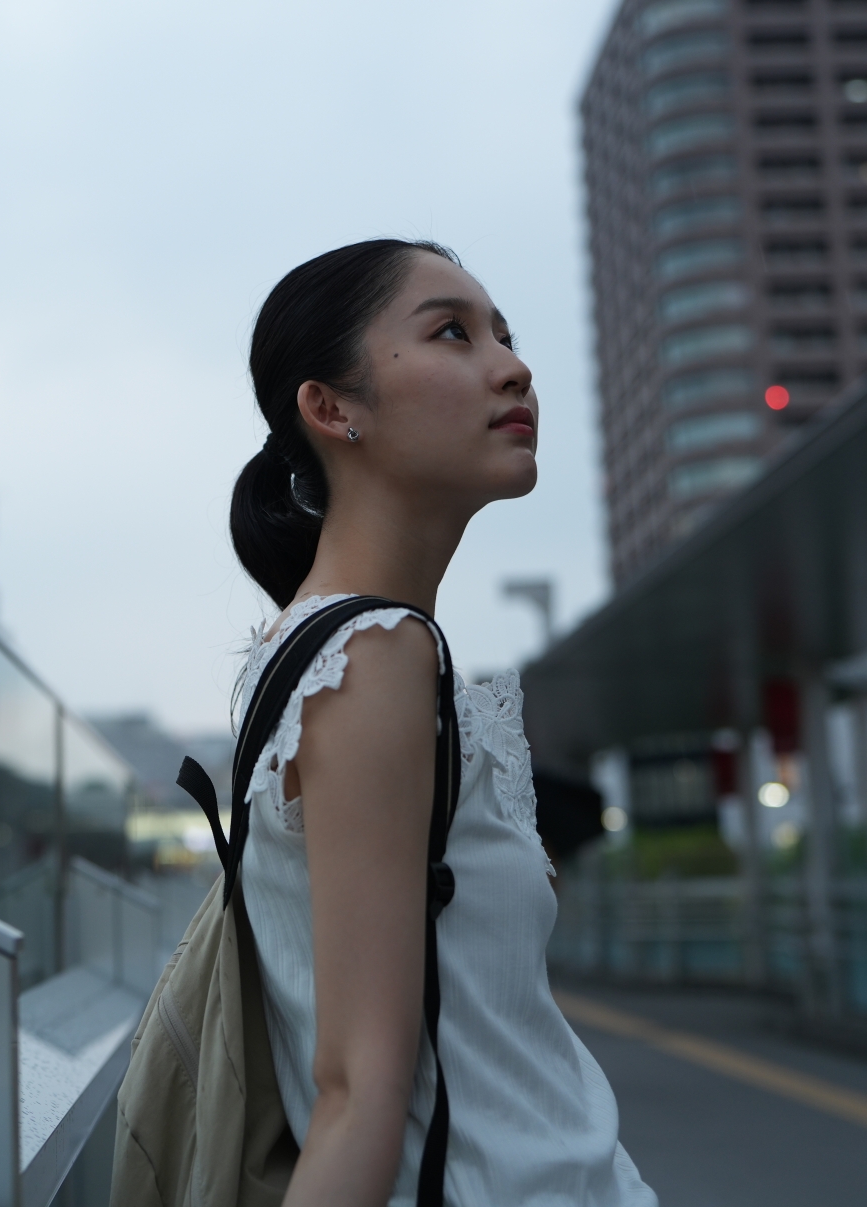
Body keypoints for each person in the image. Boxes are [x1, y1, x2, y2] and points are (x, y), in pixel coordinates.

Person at [228, 239, 656, 1206]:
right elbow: (355, 1098)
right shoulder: (370, 656)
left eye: (504, 334)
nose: (512, 365)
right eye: (452, 333)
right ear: (331, 408)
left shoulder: (333, 646)